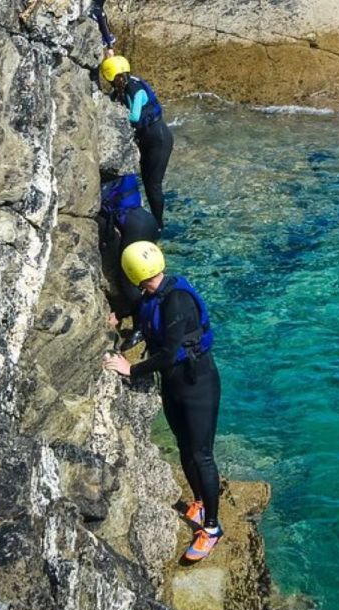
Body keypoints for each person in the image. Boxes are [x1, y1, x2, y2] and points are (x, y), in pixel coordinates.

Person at [103, 241, 223, 561]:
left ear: (131, 273)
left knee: (202, 455)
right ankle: (198, 500)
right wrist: (118, 317)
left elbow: (169, 354)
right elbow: (141, 314)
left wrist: (131, 369)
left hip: (198, 384)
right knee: (184, 447)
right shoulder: (152, 294)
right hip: (175, 385)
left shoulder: (177, 300)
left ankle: (211, 527)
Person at [99, 55, 173, 231]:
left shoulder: (135, 88)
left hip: (158, 139)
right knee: (146, 182)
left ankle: (159, 225)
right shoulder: (121, 90)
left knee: (153, 185)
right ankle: (149, 219)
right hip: (147, 140)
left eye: (116, 78)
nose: (114, 82)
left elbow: (134, 116)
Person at [100, 172, 161, 328]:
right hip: (145, 221)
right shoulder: (123, 171)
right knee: (143, 280)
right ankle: (148, 316)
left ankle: (139, 325)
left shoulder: (107, 176)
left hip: (137, 227)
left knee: (128, 281)